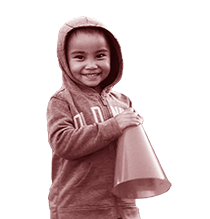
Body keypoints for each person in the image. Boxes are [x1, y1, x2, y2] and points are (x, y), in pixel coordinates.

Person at [46, 17, 142, 219]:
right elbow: (63, 144)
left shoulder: (123, 101)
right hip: (79, 209)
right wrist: (113, 126)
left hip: (124, 207)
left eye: (100, 55)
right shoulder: (61, 101)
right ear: (65, 61)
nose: (91, 65)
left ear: (112, 58)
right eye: (80, 57)